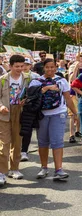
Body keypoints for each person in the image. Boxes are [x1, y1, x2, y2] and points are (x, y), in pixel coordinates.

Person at [30, 58, 78, 180]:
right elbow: (31, 97)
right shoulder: (36, 81)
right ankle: (44, 167)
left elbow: (68, 99)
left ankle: (59, 169)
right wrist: (46, 88)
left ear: (56, 68)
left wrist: (75, 113)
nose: (50, 69)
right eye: (47, 67)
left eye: (52, 67)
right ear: (43, 68)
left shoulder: (62, 81)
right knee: (43, 142)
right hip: (42, 115)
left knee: (57, 142)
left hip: (59, 114)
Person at [0, 55, 34, 184]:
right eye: (17, 66)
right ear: (10, 66)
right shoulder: (2, 80)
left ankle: (14, 169)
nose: (20, 69)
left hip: (20, 113)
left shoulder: (28, 79)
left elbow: (33, 94)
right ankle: (2, 172)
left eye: (21, 66)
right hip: (5, 114)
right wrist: (1, 106)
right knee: (4, 144)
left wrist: (27, 100)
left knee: (17, 142)